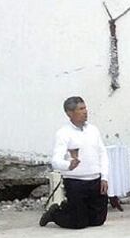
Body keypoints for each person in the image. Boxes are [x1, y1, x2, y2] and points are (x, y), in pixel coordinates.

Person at [40, 96, 110, 229]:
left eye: (85, 108)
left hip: (95, 179)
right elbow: (55, 160)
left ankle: (70, 208)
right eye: (81, 109)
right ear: (69, 113)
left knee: (97, 220)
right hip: (75, 181)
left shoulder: (93, 130)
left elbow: (103, 154)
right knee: (79, 223)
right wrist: (68, 165)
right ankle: (55, 213)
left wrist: (104, 177)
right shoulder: (63, 133)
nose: (85, 112)